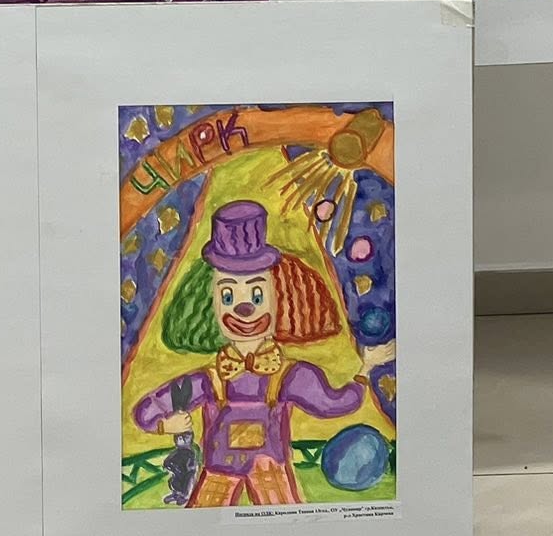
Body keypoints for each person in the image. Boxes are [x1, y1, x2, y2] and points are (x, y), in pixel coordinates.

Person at [130, 201, 378, 507]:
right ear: (211, 303)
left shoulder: (291, 376)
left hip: (270, 471)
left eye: (257, 295)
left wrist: (364, 374)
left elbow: (332, 403)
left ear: (279, 298)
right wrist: (165, 425)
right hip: (218, 473)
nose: (243, 308)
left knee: (287, 520)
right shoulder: (209, 380)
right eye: (228, 295)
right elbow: (147, 410)